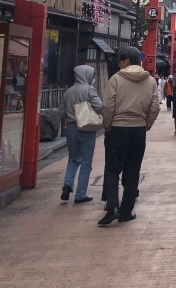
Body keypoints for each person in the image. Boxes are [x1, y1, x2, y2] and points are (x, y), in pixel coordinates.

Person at [98, 47, 159, 226]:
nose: (118, 64)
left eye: (120, 60)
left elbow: (108, 106)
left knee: (112, 168)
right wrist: (146, 124)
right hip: (138, 130)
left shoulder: (116, 79)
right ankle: (126, 211)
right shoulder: (150, 81)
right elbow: (155, 107)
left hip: (117, 128)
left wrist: (107, 125)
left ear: (125, 61)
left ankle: (112, 207)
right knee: (133, 170)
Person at [60, 64, 102, 203]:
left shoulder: (68, 92)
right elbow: (99, 107)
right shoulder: (89, 90)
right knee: (86, 162)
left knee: (73, 159)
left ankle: (67, 184)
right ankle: (80, 194)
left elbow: (61, 112)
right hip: (86, 129)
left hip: (70, 129)